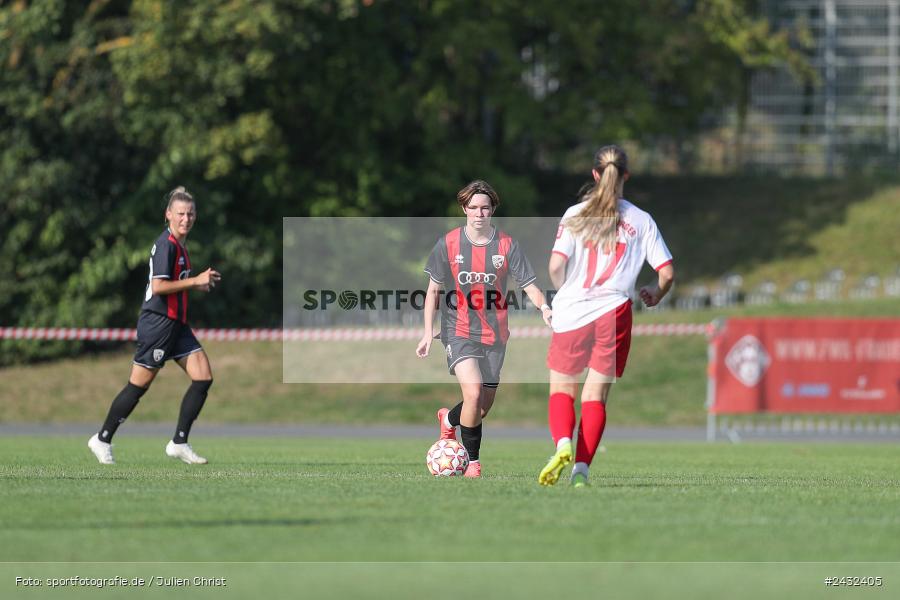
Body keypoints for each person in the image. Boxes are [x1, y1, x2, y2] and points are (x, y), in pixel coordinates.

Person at [538, 145, 674, 487]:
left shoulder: (575, 214)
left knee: (562, 390)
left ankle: (563, 444)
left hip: (573, 310)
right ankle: (580, 473)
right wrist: (655, 294)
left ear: (596, 174)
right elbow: (667, 273)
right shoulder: (641, 220)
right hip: (614, 311)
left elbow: (556, 266)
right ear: (625, 175)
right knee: (594, 397)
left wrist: (564, 295)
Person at [416, 180, 552, 478]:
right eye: (474, 207)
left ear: (492, 210)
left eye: (485, 208)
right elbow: (433, 291)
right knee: (474, 393)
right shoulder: (448, 244)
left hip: (495, 334)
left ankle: (449, 419)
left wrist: (544, 307)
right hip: (458, 329)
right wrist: (428, 331)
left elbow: (529, 285)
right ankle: (472, 463)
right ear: (464, 209)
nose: (479, 213)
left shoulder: (506, 245)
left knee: (480, 407)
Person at [88, 186, 222, 465]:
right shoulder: (166, 245)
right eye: (181, 214)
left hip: (177, 326)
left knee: (203, 377)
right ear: (169, 215)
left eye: (191, 214)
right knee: (138, 386)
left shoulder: (181, 247)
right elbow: (160, 287)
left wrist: (194, 285)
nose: (186, 219)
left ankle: (179, 442)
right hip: (158, 325)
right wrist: (195, 281)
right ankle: (102, 438)